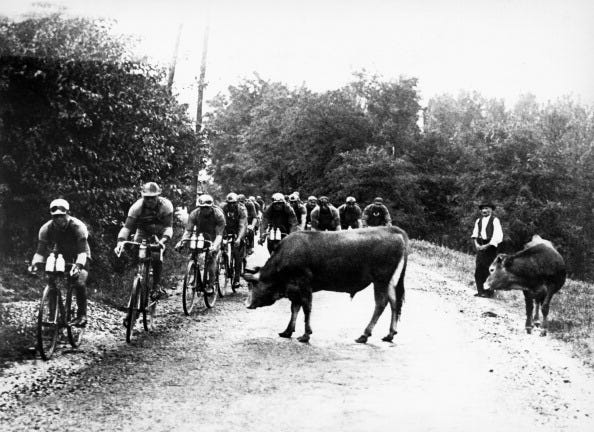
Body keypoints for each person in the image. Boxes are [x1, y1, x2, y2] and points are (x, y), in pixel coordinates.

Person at [29, 199, 91, 327]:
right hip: (61, 254)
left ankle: (82, 315)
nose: (59, 220)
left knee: (79, 281)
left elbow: (82, 253)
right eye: (55, 217)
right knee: (52, 281)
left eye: (62, 216)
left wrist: (78, 266)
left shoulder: (78, 227)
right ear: (52, 216)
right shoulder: (45, 229)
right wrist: (34, 264)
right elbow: (40, 252)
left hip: (81, 253)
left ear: (68, 214)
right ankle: (53, 315)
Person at [115, 182, 173, 301]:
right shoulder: (137, 207)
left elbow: (168, 227)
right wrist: (120, 241)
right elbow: (127, 228)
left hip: (160, 231)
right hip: (143, 230)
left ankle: (156, 285)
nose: (150, 201)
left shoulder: (166, 206)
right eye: (147, 198)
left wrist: (163, 240)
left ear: (158, 196)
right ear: (143, 197)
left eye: (153, 198)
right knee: (135, 248)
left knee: (157, 254)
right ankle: (139, 276)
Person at [175, 194, 225, 294]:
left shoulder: (218, 215)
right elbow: (188, 230)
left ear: (211, 207)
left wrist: (214, 246)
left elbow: (220, 234)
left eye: (207, 208)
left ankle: (211, 284)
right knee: (193, 255)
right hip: (200, 236)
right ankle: (195, 277)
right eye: (202, 208)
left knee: (211, 257)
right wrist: (182, 241)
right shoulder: (194, 214)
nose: (204, 210)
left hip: (214, 237)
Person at [471, 201, 503, 298]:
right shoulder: (478, 221)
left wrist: (487, 245)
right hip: (480, 246)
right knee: (479, 268)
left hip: (490, 247)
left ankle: (489, 292)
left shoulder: (495, 220)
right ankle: (480, 291)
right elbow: (475, 234)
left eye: (487, 208)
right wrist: (477, 244)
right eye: (483, 209)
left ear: (491, 210)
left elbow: (497, 236)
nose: (484, 211)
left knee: (488, 269)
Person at [221, 193, 248, 289]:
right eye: (229, 203)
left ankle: (236, 279)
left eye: (234, 203)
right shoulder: (223, 208)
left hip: (238, 230)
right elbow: (221, 223)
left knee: (237, 254)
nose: (231, 205)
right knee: (221, 247)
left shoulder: (241, 209)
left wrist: (239, 238)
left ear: (237, 203)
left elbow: (242, 225)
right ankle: (222, 262)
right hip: (227, 229)